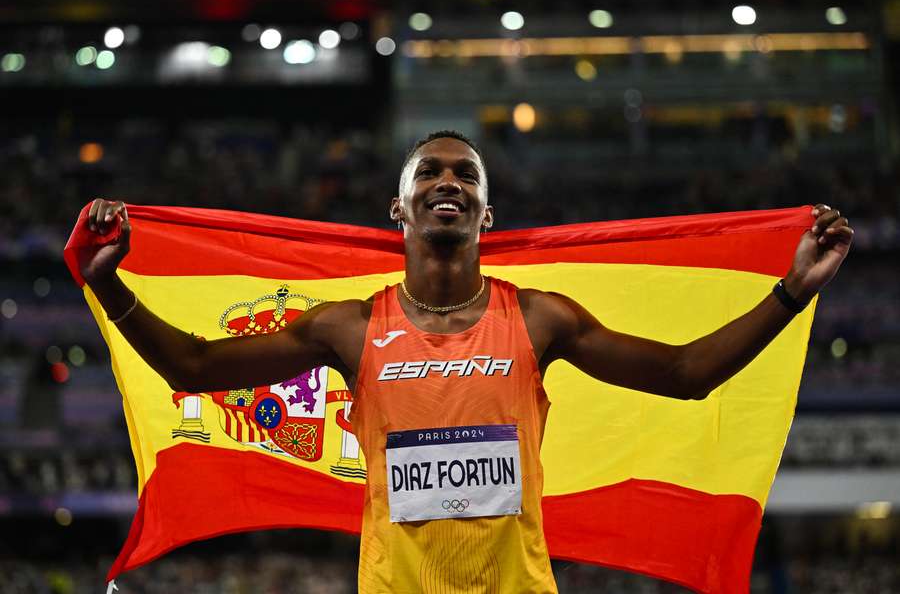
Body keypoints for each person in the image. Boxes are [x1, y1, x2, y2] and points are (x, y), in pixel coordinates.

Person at [80, 130, 853, 593]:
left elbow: (686, 376)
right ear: (399, 209)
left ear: (487, 213)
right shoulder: (349, 329)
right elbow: (192, 366)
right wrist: (107, 282)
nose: (446, 180)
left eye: (465, 176)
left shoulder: (540, 317)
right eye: (429, 173)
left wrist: (790, 290)